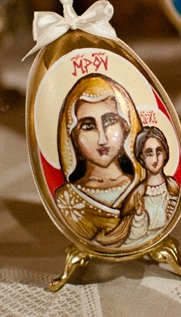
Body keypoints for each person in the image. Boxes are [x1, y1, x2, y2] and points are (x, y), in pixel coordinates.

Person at [55, 74, 146, 247]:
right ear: (73, 137)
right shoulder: (67, 197)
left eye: (110, 121)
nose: (103, 139)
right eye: (88, 126)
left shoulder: (144, 189)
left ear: (126, 127)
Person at [125, 126, 180, 245]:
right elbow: (133, 236)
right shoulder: (138, 194)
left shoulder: (172, 186)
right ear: (141, 157)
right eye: (149, 153)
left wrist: (171, 216)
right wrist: (139, 215)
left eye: (159, 152)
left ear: (165, 154)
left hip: (162, 240)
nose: (155, 159)